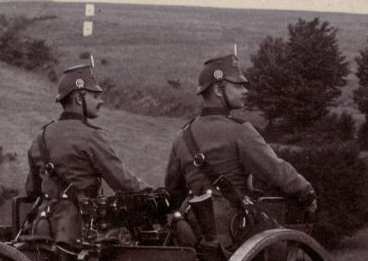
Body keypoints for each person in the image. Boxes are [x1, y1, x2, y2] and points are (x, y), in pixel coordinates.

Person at [163, 51, 314, 248]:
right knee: (280, 248)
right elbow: (275, 170)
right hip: (233, 230)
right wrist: (306, 192)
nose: (245, 91)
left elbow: (172, 190)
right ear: (218, 89)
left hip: (191, 229)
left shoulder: (183, 136)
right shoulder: (240, 131)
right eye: (238, 85)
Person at [22, 52, 145, 243]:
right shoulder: (91, 136)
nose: (101, 101)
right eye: (95, 96)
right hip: (76, 231)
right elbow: (124, 182)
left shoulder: (40, 137)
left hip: (41, 227)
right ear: (79, 98)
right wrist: (152, 191)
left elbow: (31, 189)